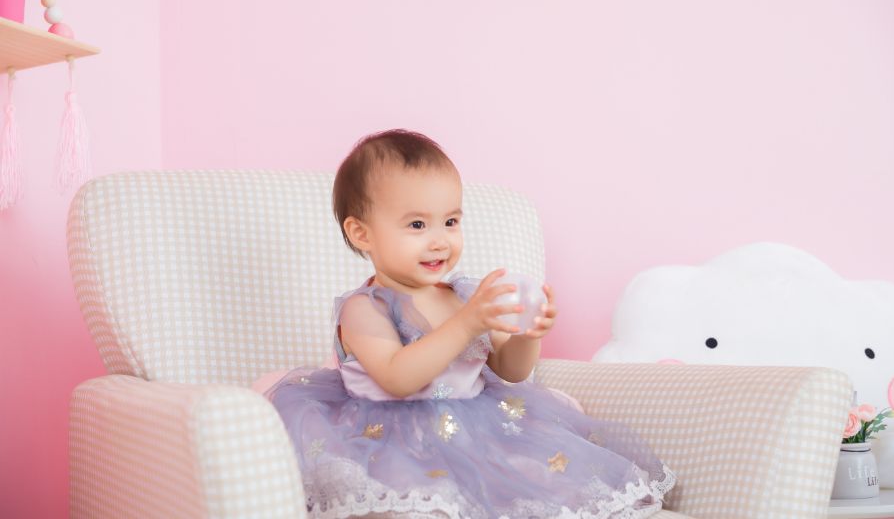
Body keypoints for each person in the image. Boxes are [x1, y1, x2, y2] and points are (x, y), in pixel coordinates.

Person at [265, 129, 676, 518]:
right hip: (392, 440)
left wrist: (526, 334)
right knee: (419, 500)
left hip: (478, 431)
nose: (440, 240)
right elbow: (397, 377)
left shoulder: (466, 296)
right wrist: (466, 325)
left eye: (451, 221)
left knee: (538, 484)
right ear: (362, 234)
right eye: (417, 225)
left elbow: (512, 371)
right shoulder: (364, 309)